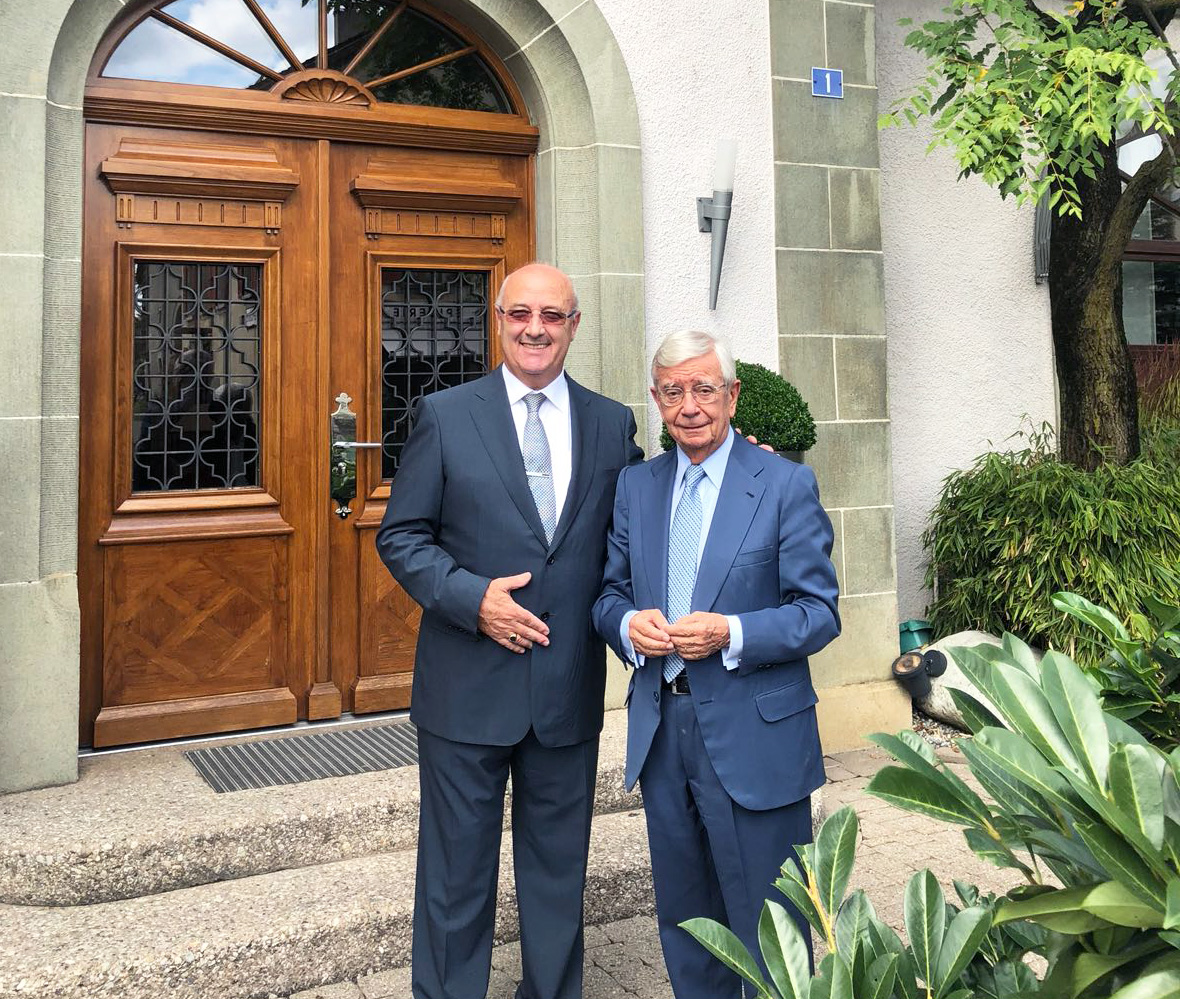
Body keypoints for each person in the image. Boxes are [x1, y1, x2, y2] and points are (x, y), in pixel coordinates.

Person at [375, 262, 643, 999]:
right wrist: (471, 598)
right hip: (466, 687)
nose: (535, 328)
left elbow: (645, 526)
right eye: (521, 312)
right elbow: (402, 537)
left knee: (558, 879)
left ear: (573, 326)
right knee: (456, 879)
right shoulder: (446, 413)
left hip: (565, 689)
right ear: (498, 320)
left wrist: (743, 461)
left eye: (552, 316)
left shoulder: (611, 423)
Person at [591, 329, 841, 999]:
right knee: (688, 922)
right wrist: (625, 623)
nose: (690, 404)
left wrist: (731, 631)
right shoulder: (636, 487)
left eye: (704, 388)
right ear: (656, 399)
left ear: (732, 395)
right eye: (673, 391)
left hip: (755, 737)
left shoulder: (784, 484)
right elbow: (608, 593)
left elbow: (820, 612)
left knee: (772, 927)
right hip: (663, 731)